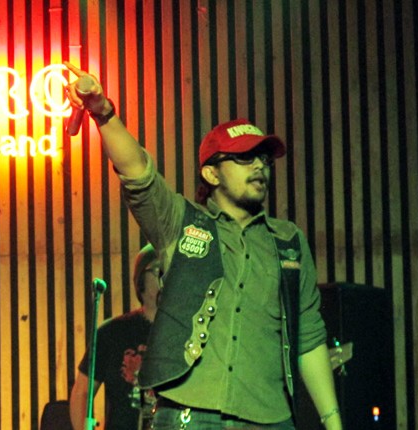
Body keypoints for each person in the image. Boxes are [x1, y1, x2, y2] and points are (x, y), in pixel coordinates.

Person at [64, 62, 342, 430]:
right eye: (244, 157)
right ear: (211, 173)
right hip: (188, 415)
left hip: (270, 419)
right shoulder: (181, 222)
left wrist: (333, 422)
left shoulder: (288, 241)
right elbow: (138, 174)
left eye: (263, 158)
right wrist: (104, 113)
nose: (259, 166)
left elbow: (308, 336)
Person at [69, 244, 162, 430]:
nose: (167, 278)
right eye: (159, 271)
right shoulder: (112, 332)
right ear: (140, 280)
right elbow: (82, 393)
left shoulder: (187, 332)